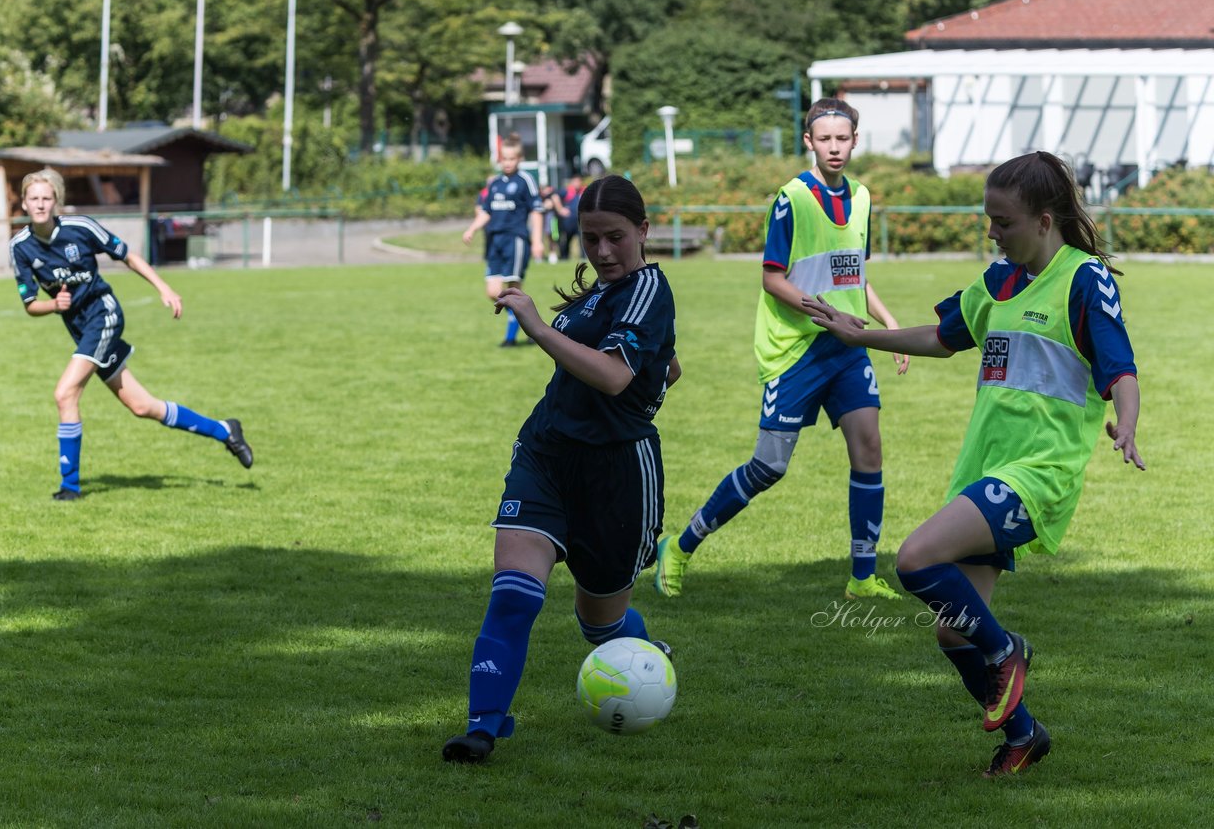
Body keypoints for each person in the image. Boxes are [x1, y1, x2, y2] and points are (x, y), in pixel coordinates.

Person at [804, 150, 1143, 777]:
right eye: (988, 218)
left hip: (1037, 474)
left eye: (1003, 221)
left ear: (1044, 221)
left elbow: (1119, 366)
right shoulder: (997, 281)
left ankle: (1007, 650)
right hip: (984, 471)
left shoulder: (1084, 278)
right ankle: (1025, 734)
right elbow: (940, 338)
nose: (992, 230)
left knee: (913, 560)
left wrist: (1126, 418)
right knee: (953, 635)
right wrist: (863, 335)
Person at [443, 175, 682, 763]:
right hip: (545, 457)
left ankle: (648, 660)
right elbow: (665, 366)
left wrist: (537, 326)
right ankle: (482, 727)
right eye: (590, 238)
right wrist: (662, 367)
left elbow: (615, 375)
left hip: (617, 475)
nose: (601, 252)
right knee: (514, 596)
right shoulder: (601, 293)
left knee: (600, 625)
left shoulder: (650, 285)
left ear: (643, 232)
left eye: (615, 238)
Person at [654, 98, 908, 602]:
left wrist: (890, 322)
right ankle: (680, 546)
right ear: (809, 143)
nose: (835, 147)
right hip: (795, 349)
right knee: (769, 467)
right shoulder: (793, 198)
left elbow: (852, 270)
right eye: (825, 139)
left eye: (843, 138)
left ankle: (861, 576)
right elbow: (772, 279)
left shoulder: (861, 197)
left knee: (869, 448)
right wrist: (826, 314)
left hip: (846, 348)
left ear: (855, 141)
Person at [10, 168, 253, 500]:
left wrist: (164, 287)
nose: (40, 204)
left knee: (65, 393)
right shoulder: (20, 247)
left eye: (46, 198)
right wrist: (53, 306)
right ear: (24, 203)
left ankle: (70, 487)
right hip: (81, 330)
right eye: (34, 198)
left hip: (104, 314)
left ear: (57, 202)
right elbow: (29, 305)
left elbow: (127, 256)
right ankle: (225, 430)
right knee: (143, 406)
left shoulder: (80, 228)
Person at [462, 134, 545, 346]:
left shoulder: (525, 181)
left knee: (513, 290)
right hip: (494, 241)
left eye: (511, 158)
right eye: (504, 158)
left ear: (519, 159)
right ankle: (529, 323)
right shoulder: (496, 183)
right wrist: (471, 229)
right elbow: (486, 212)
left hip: (515, 239)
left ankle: (511, 338)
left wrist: (537, 241)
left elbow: (536, 212)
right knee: (493, 292)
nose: (507, 162)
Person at [539, 184, 569, 264]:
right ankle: (546, 255)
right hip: (546, 219)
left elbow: (558, 208)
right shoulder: (542, 197)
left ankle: (553, 254)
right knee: (548, 237)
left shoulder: (553, 196)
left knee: (554, 237)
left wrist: (563, 210)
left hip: (552, 220)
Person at [558, 173, 585, 260]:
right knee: (566, 240)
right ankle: (564, 257)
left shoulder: (583, 191)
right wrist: (560, 209)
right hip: (568, 222)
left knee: (583, 239)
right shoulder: (566, 191)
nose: (578, 183)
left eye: (579, 181)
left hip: (580, 221)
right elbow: (555, 196)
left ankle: (584, 257)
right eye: (576, 181)